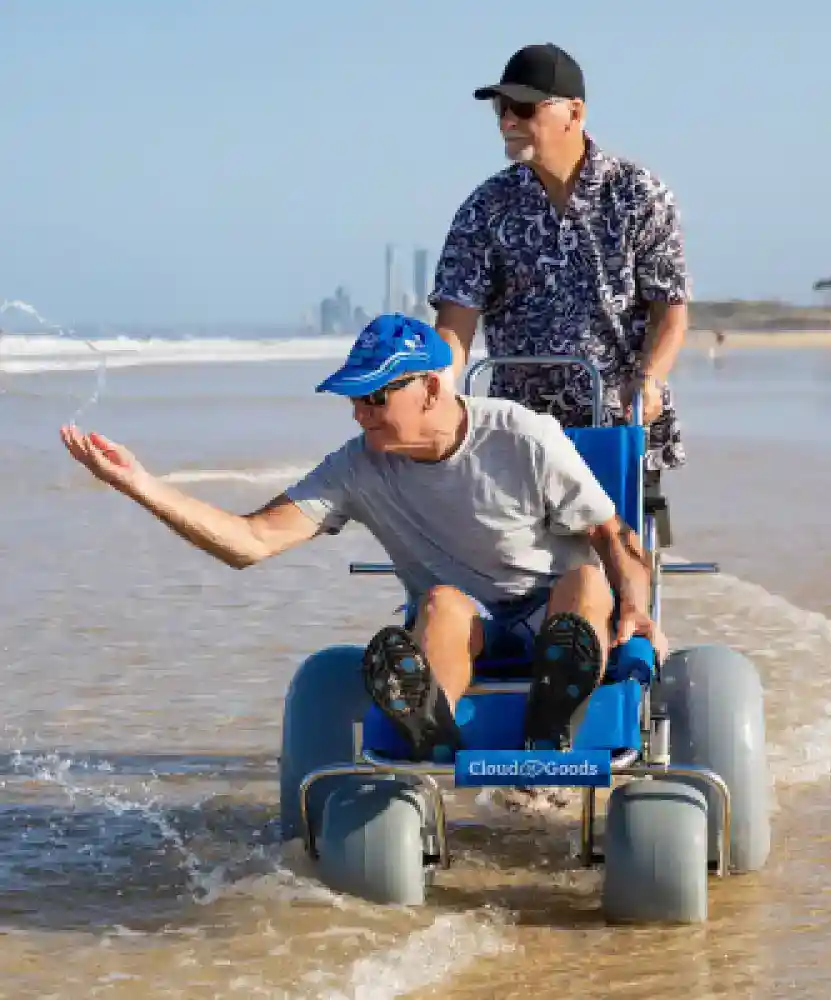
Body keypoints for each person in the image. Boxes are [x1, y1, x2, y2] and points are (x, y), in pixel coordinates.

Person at [59, 313, 663, 762]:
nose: (361, 413)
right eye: (354, 398)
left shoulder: (523, 437)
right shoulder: (356, 467)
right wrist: (140, 485)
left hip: (552, 613)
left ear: (431, 387)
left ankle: (551, 721)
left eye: (377, 397)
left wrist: (636, 609)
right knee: (439, 603)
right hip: (464, 620)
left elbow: (615, 537)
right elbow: (250, 541)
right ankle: (434, 729)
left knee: (586, 578)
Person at [429, 42, 691, 488]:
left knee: (619, 554)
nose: (508, 121)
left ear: (574, 111)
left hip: (614, 425)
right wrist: (434, 385)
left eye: (524, 108)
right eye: (501, 109)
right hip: (518, 432)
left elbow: (670, 311)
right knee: (516, 558)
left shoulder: (638, 194)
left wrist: (650, 380)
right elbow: (456, 321)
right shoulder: (485, 207)